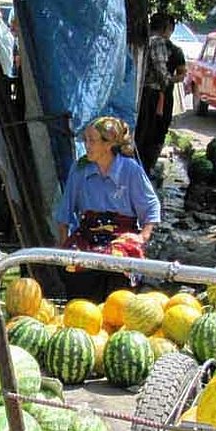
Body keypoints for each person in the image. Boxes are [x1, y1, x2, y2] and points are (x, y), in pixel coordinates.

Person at [55, 116, 159, 299]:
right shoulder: (80, 169)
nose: (87, 145)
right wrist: (64, 243)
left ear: (108, 144)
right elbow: (65, 211)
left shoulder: (130, 170)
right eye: (85, 140)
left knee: (117, 262)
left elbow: (150, 206)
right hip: (87, 234)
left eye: (92, 141)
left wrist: (142, 237)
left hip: (121, 235)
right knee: (74, 262)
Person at [135, 12, 177, 175]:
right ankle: (143, 170)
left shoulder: (145, 39)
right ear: (166, 28)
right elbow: (161, 70)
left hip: (142, 92)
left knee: (141, 132)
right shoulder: (158, 42)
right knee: (149, 133)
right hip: (151, 93)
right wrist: (172, 80)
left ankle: (140, 168)